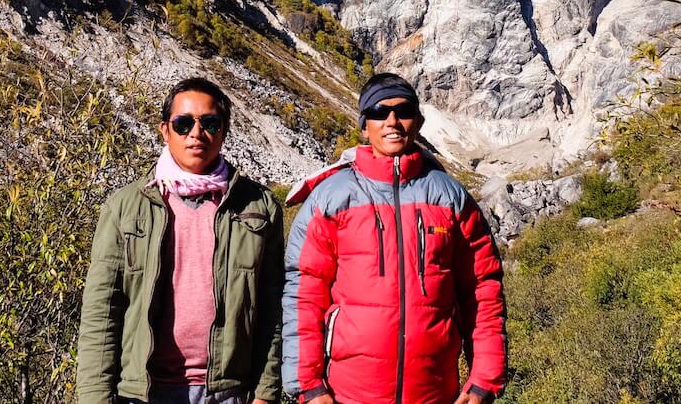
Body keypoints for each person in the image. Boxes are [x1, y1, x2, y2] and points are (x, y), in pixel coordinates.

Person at [281, 73, 506, 404]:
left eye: (402, 111)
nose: (392, 121)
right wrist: (308, 386)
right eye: (378, 112)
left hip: (434, 393)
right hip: (347, 395)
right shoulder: (330, 198)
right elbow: (304, 292)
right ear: (364, 125)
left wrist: (484, 379)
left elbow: (482, 289)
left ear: (418, 120)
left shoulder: (451, 198)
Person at [77, 77, 284, 404]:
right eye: (184, 123)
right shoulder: (125, 206)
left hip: (229, 393)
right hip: (143, 392)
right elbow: (102, 312)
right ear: (165, 130)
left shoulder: (260, 207)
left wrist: (266, 392)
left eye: (210, 123)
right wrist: (94, 397)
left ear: (224, 131)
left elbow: (271, 309)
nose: (196, 133)